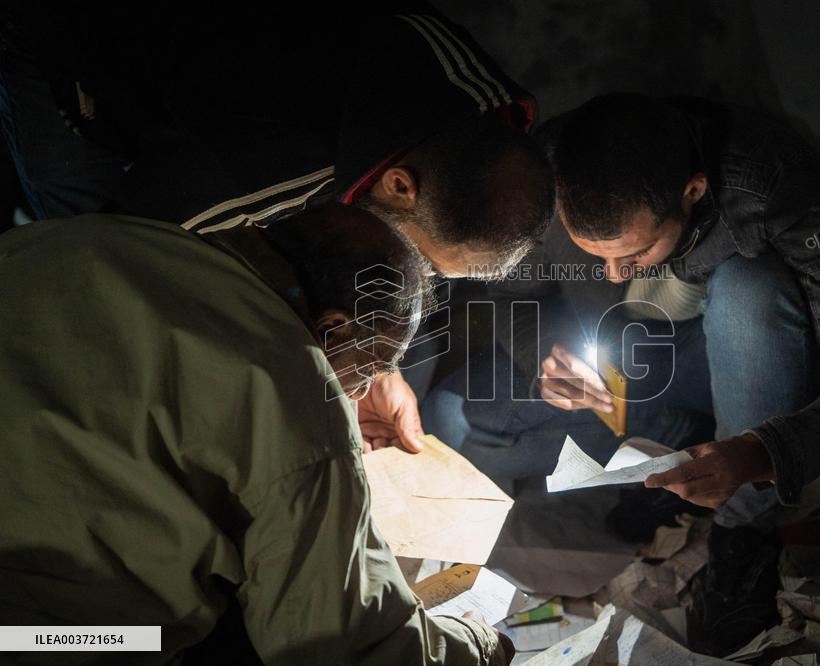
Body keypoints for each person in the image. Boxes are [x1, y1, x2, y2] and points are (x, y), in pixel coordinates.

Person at [422, 93, 820, 655]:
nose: (611, 272)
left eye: (632, 254)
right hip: (617, 378)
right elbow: (511, 294)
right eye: (593, 254)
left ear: (694, 192)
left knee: (751, 289)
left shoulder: (769, 183)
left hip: (734, 366)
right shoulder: (541, 179)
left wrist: (760, 453)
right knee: (450, 421)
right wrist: (545, 354)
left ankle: (740, 532)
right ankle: (670, 446)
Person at [0, 3, 555, 458]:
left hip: (224, 53)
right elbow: (126, 257)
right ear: (399, 185)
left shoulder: (475, 106)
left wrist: (376, 363)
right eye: (422, 258)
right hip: (88, 48)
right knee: (71, 239)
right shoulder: (267, 170)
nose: (418, 275)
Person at [0, 202, 513, 664]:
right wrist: (478, 646)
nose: (357, 395)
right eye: (369, 369)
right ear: (332, 331)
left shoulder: (101, 234)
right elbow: (343, 644)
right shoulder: (294, 392)